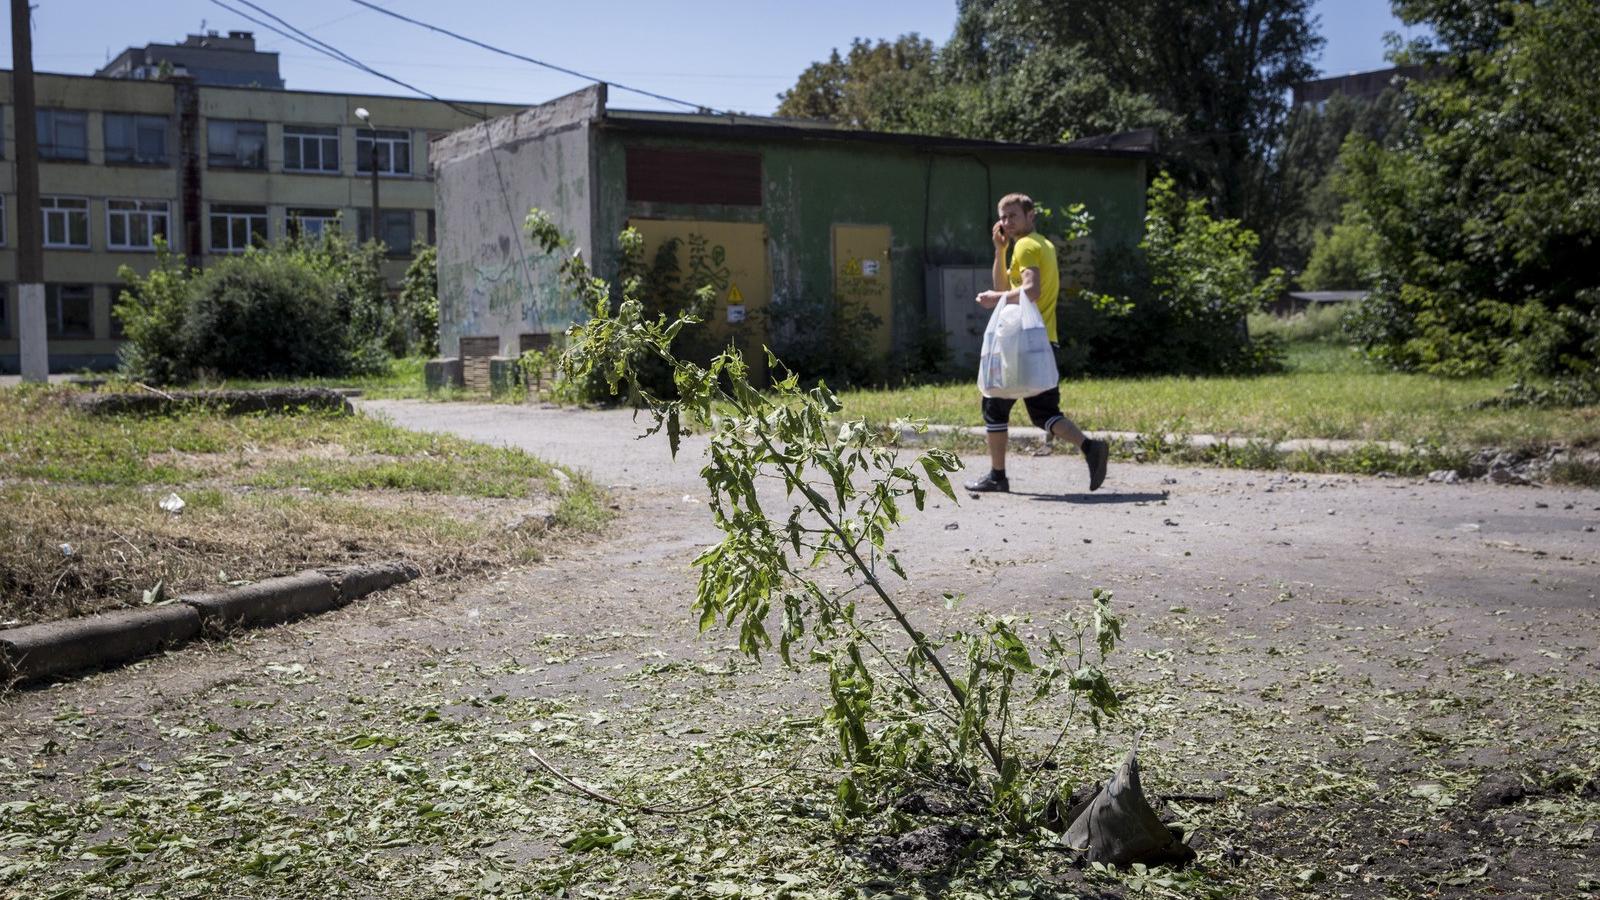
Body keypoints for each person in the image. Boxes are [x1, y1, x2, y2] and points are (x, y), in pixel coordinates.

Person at [963, 192, 1108, 494]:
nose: (1006, 222)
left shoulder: (1027, 245)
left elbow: (1030, 290)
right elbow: (1005, 286)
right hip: (1044, 342)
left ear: (1031, 215)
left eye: (1013, 215)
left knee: (994, 407)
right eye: (1003, 217)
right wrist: (999, 251)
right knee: (1044, 413)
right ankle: (1090, 447)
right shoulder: (1040, 244)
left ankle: (997, 476)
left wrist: (994, 299)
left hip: (1021, 345)